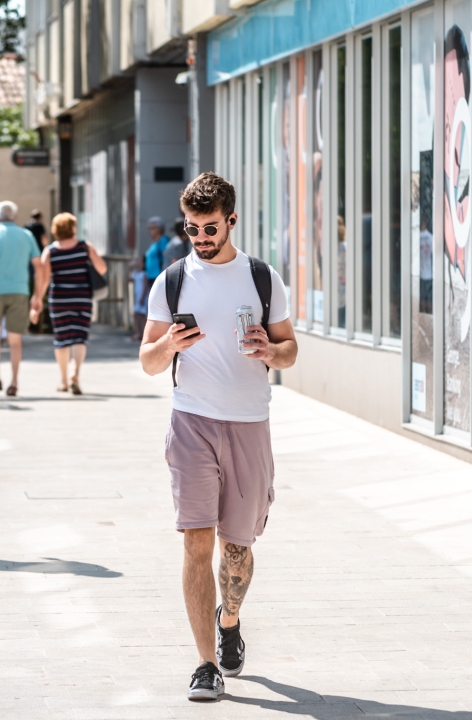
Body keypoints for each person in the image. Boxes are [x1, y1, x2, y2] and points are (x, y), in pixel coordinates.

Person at [139, 173, 298, 702]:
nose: (201, 237)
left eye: (210, 227)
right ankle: (206, 663)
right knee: (196, 541)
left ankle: (229, 620)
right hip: (191, 421)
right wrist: (169, 345)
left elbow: (290, 349)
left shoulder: (262, 278)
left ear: (231, 220)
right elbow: (148, 361)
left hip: (250, 422)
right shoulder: (173, 280)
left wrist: (269, 353)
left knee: (238, 546)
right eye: (192, 228)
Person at [0, 201, 43, 396]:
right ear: (14, 216)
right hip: (19, 291)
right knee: (15, 341)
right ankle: (14, 382)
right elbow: (39, 266)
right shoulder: (27, 235)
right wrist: (37, 295)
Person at [37, 213, 106, 394]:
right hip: (81, 298)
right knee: (79, 337)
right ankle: (75, 374)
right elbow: (102, 268)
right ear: (72, 228)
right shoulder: (84, 246)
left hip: (58, 299)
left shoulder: (50, 251)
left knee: (61, 339)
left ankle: (63, 381)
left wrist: (37, 300)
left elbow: (44, 280)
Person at [144, 216, 170, 283]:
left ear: (160, 229)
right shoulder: (154, 243)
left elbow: (166, 258)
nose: (150, 231)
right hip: (151, 278)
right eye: (149, 228)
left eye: (153, 228)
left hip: (159, 278)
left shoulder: (163, 240)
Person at [130, 255, 148, 341]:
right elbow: (128, 279)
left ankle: (146, 334)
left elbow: (145, 287)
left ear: (143, 264)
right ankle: (140, 333)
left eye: (139, 261)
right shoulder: (135, 274)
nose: (137, 262)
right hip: (138, 298)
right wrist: (129, 269)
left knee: (142, 316)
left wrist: (142, 297)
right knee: (136, 315)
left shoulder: (143, 274)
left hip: (142, 298)